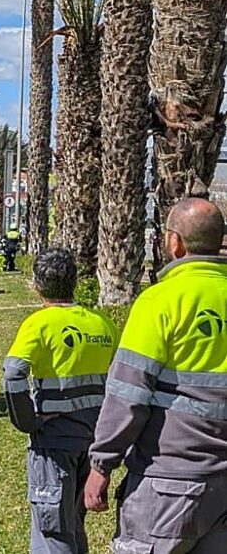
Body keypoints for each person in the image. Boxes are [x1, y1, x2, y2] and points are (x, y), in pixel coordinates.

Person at [84, 197, 227, 553]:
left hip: (167, 483)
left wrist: (102, 464)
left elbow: (127, 394)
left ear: (174, 242)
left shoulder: (159, 302)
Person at [3, 248, 118, 554]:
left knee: (52, 531)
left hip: (54, 443)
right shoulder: (102, 323)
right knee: (73, 523)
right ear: (75, 282)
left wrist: (27, 421)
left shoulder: (39, 324)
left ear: (37, 284)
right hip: (93, 442)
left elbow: (13, 373)